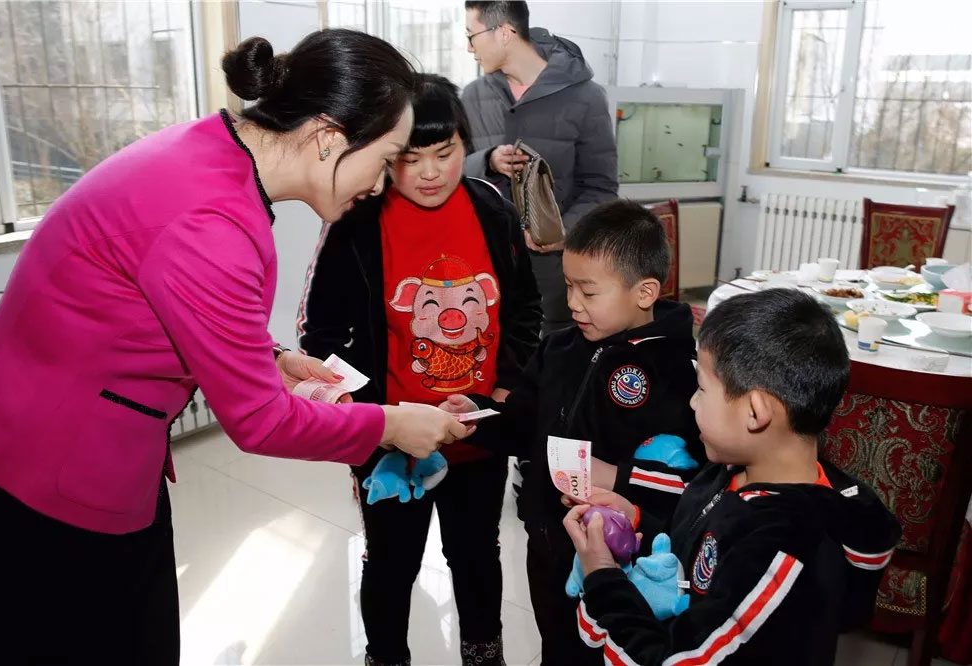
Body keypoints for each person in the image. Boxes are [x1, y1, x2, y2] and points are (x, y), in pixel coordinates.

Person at [0, 31, 470, 665]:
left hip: (54, 435)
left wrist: (272, 358)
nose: (380, 184)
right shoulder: (211, 221)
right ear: (328, 137)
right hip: (43, 473)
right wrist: (392, 425)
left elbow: (175, 296)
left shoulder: (211, 152)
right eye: (387, 158)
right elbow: (261, 422)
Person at [298, 73, 542, 666]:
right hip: (391, 443)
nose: (430, 172)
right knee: (391, 561)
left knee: (477, 556)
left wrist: (500, 391)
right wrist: (372, 419)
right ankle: (386, 657)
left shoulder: (493, 210)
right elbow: (320, 333)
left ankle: (483, 656)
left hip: (477, 434)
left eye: (445, 152)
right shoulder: (358, 220)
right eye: (411, 158)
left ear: (466, 143)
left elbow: (525, 310)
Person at [564, 289, 902, 665]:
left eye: (702, 388)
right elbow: (702, 540)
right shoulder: (735, 469)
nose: (692, 401)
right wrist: (638, 520)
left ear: (755, 412)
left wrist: (602, 579)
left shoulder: (781, 550)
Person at [442, 200, 702, 665]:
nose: (573, 303)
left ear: (644, 292)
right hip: (547, 535)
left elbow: (689, 478)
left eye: (589, 291)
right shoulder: (559, 347)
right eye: (568, 286)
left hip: (619, 555)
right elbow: (524, 422)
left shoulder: (676, 371)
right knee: (556, 644)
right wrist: (477, 415)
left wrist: (617, 478)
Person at [462, 0, 618, 336]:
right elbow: (452, 172)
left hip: (555, 274)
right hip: (485, 267)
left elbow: (601, 187)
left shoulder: (586, 97)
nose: (469, 48)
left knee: (551, 355)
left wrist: (563, 233)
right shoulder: (472, 97)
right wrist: (487, 161)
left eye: (471, 36)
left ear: (504, 32)